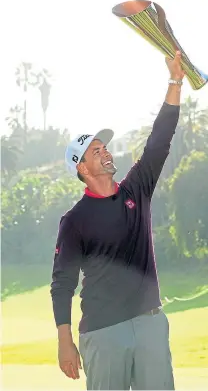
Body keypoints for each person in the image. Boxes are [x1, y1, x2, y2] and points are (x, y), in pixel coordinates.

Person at [50, 51, 184, 390]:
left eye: (105, 148)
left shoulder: (136, 189)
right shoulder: (74, 221)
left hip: (151, 323)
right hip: (104, 331)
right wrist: (65, 341)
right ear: (81, 169)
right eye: (96, 151)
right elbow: (62, 284)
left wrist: (175, 82)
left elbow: (158, 142)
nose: (106, 152)